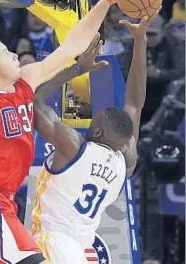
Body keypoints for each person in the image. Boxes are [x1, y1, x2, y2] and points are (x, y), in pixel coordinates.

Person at [0, 0, 118, 264]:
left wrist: (107, 0)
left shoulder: (25, 82)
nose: (15, 54)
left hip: (2, 203)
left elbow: (72, 45)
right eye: (7, 53)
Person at [30, 14, 158, 263]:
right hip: (79, 249)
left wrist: (78, 69)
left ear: (97, 131)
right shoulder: (126, 163)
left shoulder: (74, 147)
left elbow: (35, 101)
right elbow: (134, 102)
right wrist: (140, 39)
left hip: (53, 241)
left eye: (94, 119)